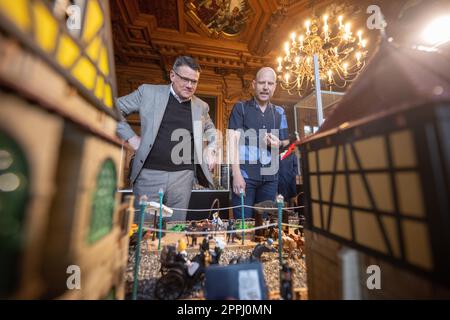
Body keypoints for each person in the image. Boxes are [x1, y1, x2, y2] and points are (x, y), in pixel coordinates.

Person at [116, 56, 217, 222]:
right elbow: (113, 107)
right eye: (185, 79)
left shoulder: (201, 106)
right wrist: (131, 138)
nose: (190, 85)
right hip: (149, 174)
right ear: (172, 76)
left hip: (183, 178)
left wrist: (212, 147)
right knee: (144, 232)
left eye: (194, 81)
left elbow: (211, 130)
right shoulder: (147, 92)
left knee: (175, 232)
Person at [228, 67, 289, 219]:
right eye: (262, 82)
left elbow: (286, 141)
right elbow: (231, 142)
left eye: (270, 83)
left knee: (264, 224)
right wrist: (236, 174)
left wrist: (279, 144)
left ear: (275, 87)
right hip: (245, 176)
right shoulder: (240, 108)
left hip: (270, 178)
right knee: (244, 225)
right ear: (254, 84)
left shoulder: (279, 112)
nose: (265, 87)